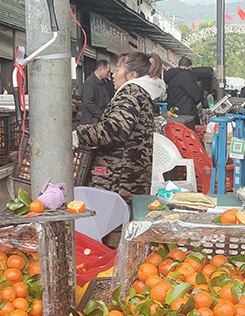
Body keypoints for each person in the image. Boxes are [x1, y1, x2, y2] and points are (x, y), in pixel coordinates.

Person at [74, 52, 164, 204]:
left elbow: (113, 130)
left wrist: (79, 134)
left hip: (117, 181)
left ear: (132, 75)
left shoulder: (130, 94)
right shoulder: (140, 94)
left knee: (110, 224)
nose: (113, 75)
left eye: (117, 70)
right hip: (130, 180)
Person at [164, 56, 205, 126]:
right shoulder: (186, 76)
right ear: (190, 67)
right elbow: (196, 95)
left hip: (172, 112)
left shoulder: (172, 76)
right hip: (186, 115)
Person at [80, 60, 115, 125]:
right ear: (101, 69)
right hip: (91, 122)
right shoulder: (90, 83)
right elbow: (88, 102)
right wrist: (101, 115)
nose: (109, 74)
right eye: (108, 71)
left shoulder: (104, 83)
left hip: (100, 121)